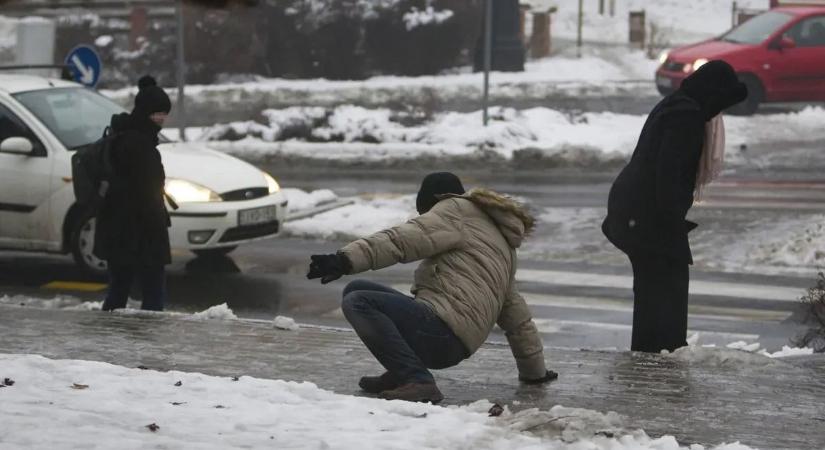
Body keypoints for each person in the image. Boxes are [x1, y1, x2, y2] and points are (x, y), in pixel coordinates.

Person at [307, 172, 557, 404]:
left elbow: (401, 240)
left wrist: (344, 259)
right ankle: (401, 371)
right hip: (454, 342)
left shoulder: (453, 210)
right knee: (356, 288)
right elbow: (518, 319)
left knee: (359, 301)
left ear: (433, 201)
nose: (425, 218)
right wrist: (535, 373)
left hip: (443, 333)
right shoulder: (497, 242)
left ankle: (417, 380)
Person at [601, 61, 747, 353]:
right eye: (721, 104)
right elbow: (669, 175)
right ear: (713, 94)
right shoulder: (687, 118)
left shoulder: (677, 105)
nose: (718, 113)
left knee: (654, 289)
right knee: (667, 286)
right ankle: (661, 356)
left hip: (635, 210)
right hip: (645, 215)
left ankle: (651, 354)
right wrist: (672, 224)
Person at [95, 75, 172, 312]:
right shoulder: (139, 145)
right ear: (145, 112)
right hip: (140, 229)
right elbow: (146, 188)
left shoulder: (123, 135)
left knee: (119, 287)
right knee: (152, 291)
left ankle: (110, 335)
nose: (161, 118)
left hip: (118, 226)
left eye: (164, 113)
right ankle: (148, 340)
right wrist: (158, 219)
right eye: (157, 113)